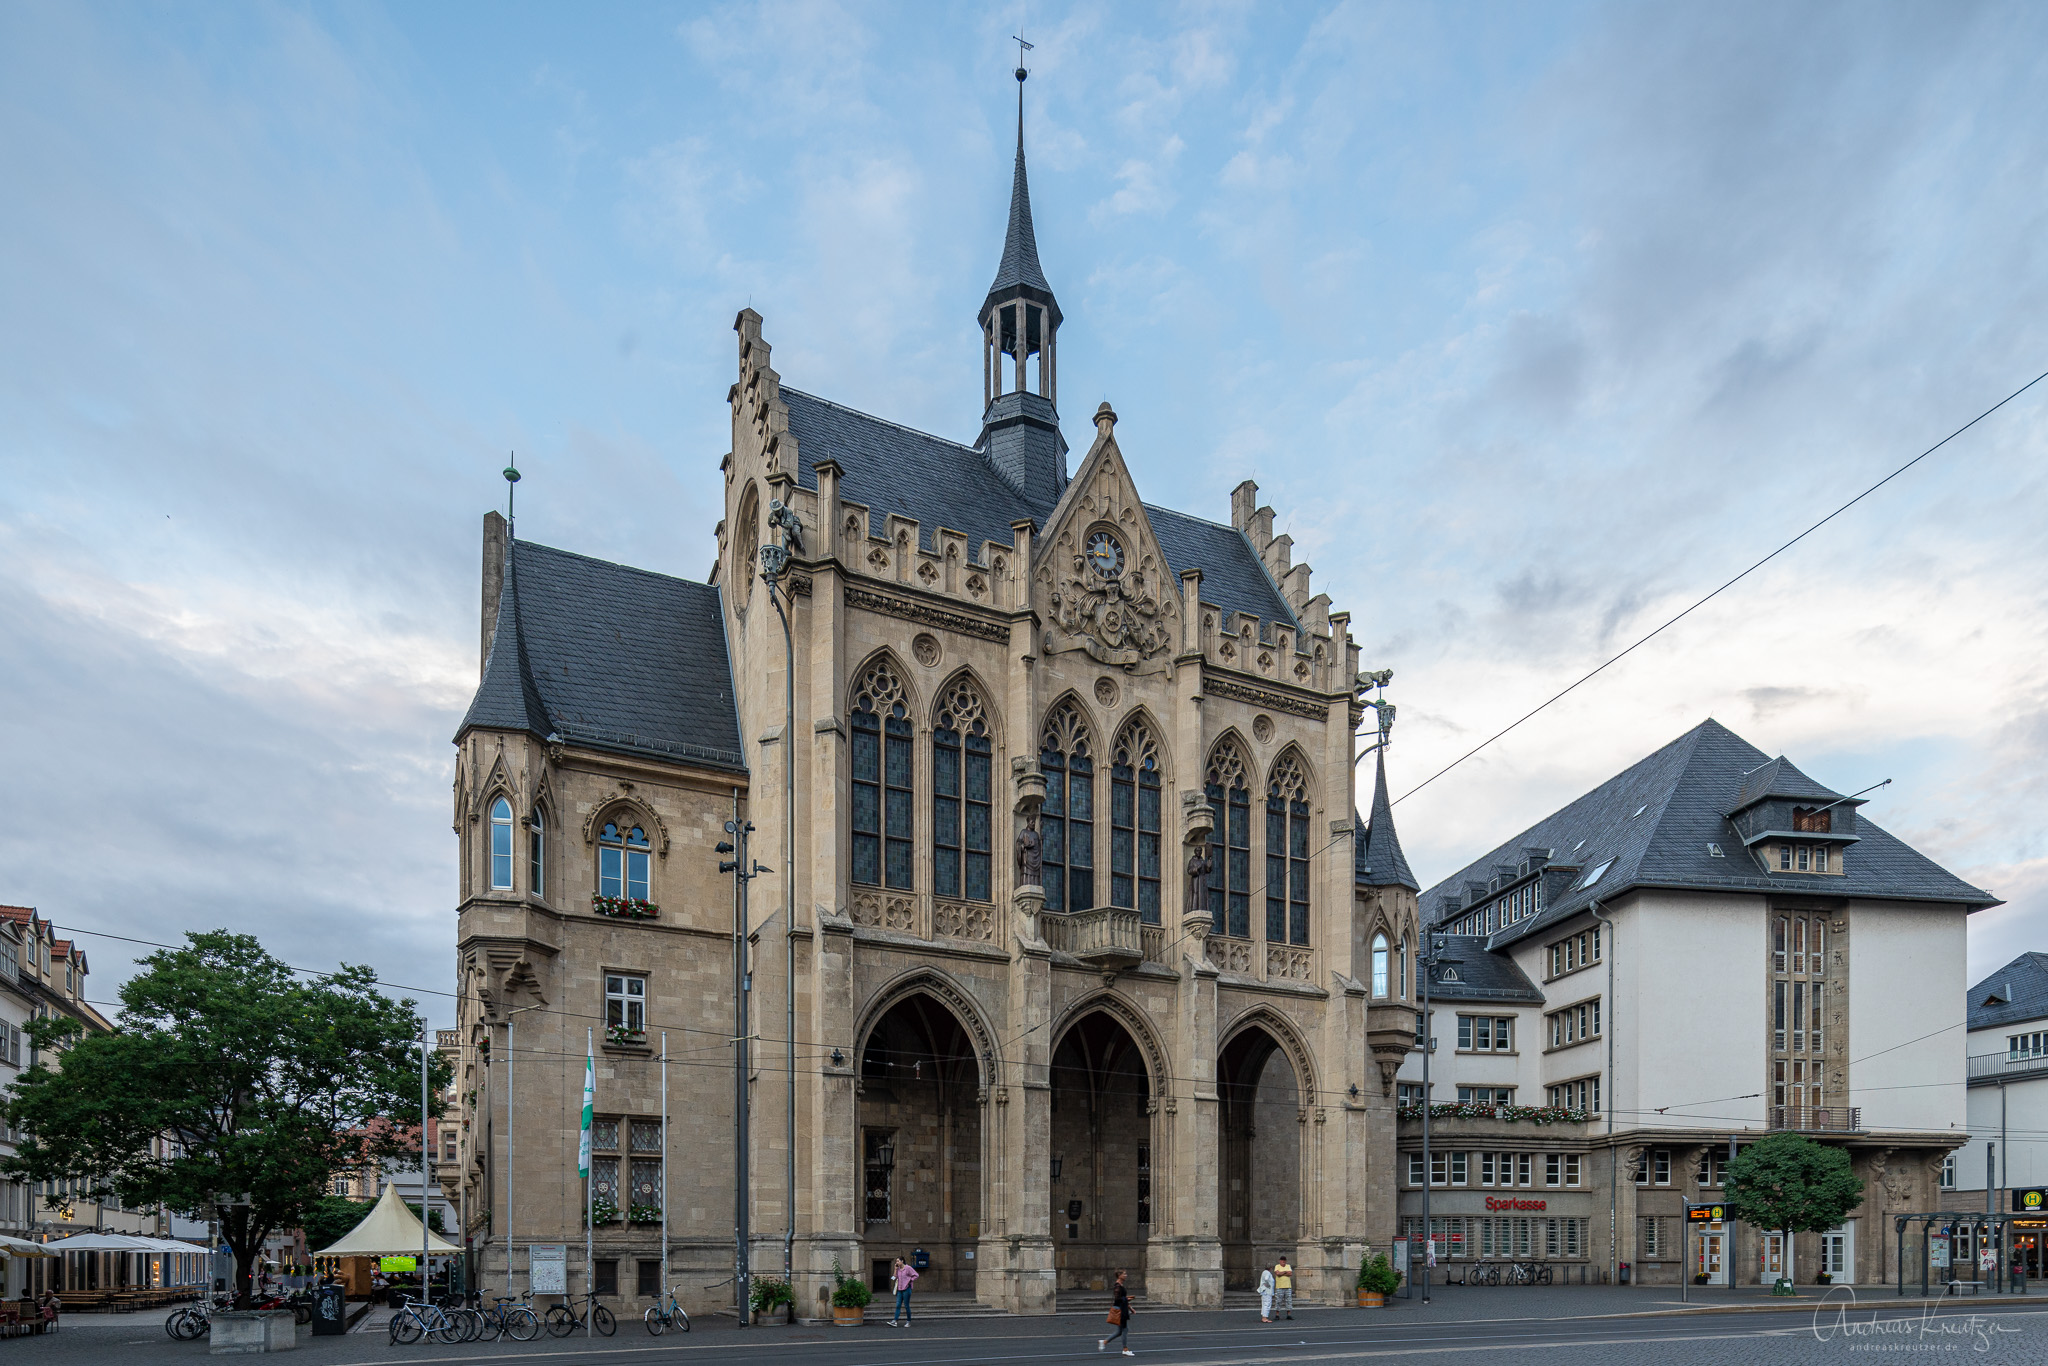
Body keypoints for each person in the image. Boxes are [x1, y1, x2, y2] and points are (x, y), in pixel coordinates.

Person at [1099, 1269, 1133, 1355]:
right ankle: (1125, 1349)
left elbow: (1123, 1298)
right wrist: (1127, 1299)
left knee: (1119, 1331)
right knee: (1124, 1329)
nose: (1126, 1275)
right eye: (1124, 1274)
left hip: (1122, 1308)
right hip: (1120, 1310)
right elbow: (1117, 1299)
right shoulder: (1117, 1286)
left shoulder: (1120, 1285)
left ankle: (1104, 1342)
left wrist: (1130, 1308)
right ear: (1119, 1275)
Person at [889, 1257, 918, 1328]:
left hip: (906, 1289)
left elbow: (916, 1275)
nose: (897, 1262)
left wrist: (910, 1280)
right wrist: (895, 1269)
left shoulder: (908, 1268)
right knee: (898, 1305)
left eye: (898, 1261)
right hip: (899, 1290)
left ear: (902, 1261)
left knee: (906, 1305)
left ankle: (908, 1321)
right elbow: (894, 1277)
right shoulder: (898, 1269)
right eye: (896, 1261)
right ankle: (895, 1321)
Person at [1273, 1256, 1293, 1320]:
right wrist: (1285, 1272)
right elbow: (1277, 1273)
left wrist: (1282, 1273)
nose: (1283, 1261)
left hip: (1288, 1286)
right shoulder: (1277, 1266)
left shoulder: (1288, 1266)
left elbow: (1290, 1273)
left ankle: (1289, 1314)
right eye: (1282, 1260)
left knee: (1288, 1301)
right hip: (1279, 1286)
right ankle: (1277, 1314)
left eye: (1284, 1260)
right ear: (1280, 1261)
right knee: (1278, 1301)